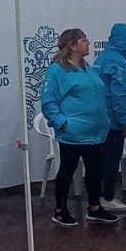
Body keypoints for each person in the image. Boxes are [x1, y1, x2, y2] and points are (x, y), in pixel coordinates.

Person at [41, 28, 118, 227]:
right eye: (84, 40)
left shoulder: (87, 67)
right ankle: (60, 210)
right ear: (73, 45)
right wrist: (62, 123)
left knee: (95, 169)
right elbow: (49, 102)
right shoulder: (58, 70)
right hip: (73, 133)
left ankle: (94, 207)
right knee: (67, 169)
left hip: (95, 132)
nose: (88, 43)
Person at [92, 23, 126, 213]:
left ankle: (97, 196)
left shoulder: (101, 57)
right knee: (112, 160)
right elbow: (118, 95)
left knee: (100, 161)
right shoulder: (118, 62)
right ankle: (108, 197)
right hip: (112, 121)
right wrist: (125, 121)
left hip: (99, 119)